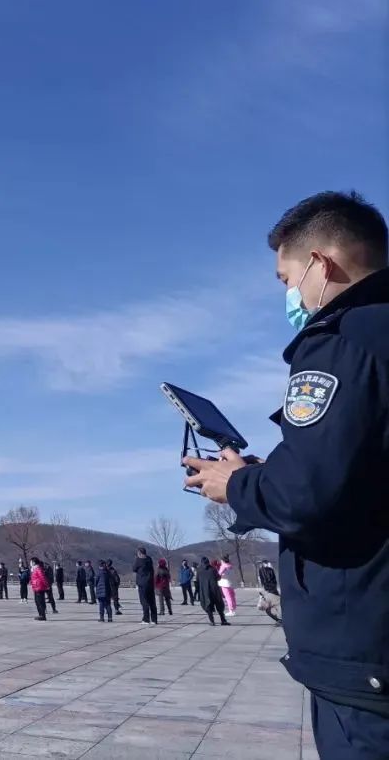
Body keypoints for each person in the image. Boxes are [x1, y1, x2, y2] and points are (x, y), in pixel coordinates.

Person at [182, 191, 389, 759]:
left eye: (286, 279)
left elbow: (307, 494)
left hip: (365, 646)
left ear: (321, 264)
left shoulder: (340, 341)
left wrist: (235, 485)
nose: (290, 295)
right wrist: (268, 472)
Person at [196, 557, 229, 626]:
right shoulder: (213, 569)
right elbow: (218, 578)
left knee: (208, 605)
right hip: (214, 589)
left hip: (205, 591)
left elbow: (197, 580)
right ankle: (223, 620)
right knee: (219, 605)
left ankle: (212, 621)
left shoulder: (199, 570)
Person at [132, 548, 157, 625]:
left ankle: (146, 619)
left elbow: (134, 569)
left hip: (142, 583)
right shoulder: (149, 559)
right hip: (150, 582)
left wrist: (136, 559)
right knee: (152, 601)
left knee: (144, 601)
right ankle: (154, 619)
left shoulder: (138, 560)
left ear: (139, 553)